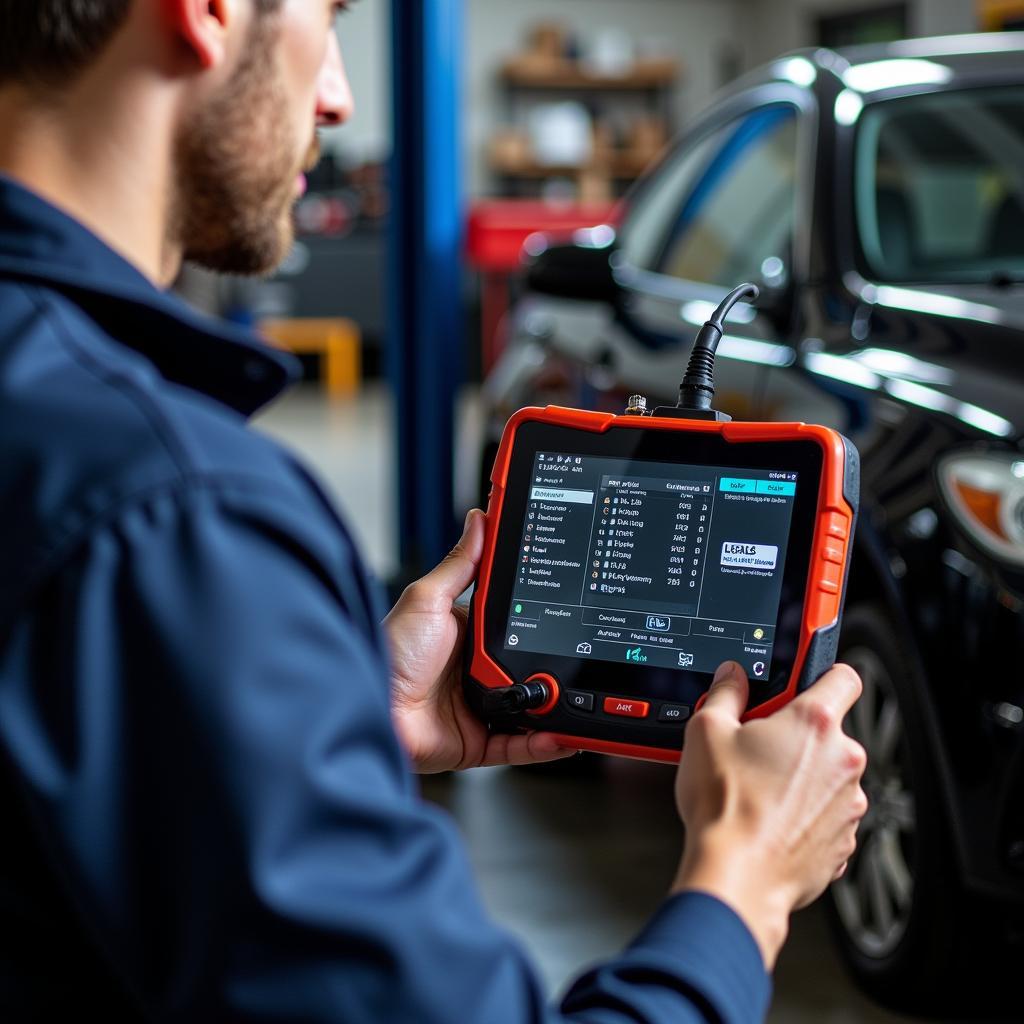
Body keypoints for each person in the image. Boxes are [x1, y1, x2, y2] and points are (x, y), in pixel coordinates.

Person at [0, 2, 868, 1021]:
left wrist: (337, 715)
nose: (336, 97)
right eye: (324, 20)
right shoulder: (176, 514)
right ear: (207, 13)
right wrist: (744, 883)